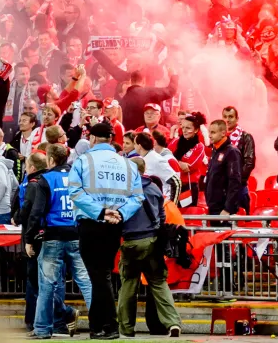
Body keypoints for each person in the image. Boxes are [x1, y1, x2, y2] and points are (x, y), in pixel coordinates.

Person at [66, 120, 142, 340]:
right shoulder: (128, 164)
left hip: (91, 223)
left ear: (91, 138)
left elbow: (75, 193)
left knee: (98, 277)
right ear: (111, 139)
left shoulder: (83, 160)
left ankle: (107, 326)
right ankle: (99, 326)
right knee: (102, 275)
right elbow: (137, 196)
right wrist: (121, 213)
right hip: (115, 224)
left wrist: (100, 212)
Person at [26, 143, 92, 340]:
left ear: (51, 160)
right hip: (76, 235)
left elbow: (37, 212)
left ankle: (42, 329)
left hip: (53, 236)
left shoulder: (46, 179)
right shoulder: (78, 177)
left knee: (47, 285)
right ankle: (101, 325)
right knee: (87, 283)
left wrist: (29, 238)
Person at [116, 156, 181, 338]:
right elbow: (161, 216)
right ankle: (173, 322)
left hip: (130, 242)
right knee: (159, 283)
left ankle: (126, 328)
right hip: (152, 241)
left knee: (129, 284)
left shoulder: (123, 191)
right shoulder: (154, 188)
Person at [204, 117, 245, 215]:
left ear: (223, 133)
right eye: (209, 132)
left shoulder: (232, 152)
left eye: (213, 132)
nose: (209, 136)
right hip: (214, 206)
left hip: (224, 209)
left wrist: (228, 208)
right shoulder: (215, 151)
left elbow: (234, 181)